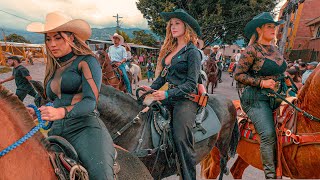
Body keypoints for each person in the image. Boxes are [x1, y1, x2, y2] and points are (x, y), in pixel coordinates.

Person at [26, 11, 115, 179]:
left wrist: (60, 112)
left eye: (58, 38)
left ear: (71, 38)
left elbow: (90, 101)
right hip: (57, 131)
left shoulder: (87, 61)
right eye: (48, 39)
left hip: (85, 128)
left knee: (101, 176)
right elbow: (55, 101)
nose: (52, 44)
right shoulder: (53, 68)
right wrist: (37, 111)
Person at [141, 8, 201, 180]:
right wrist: (151, 89)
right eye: (171, 24)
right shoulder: (170, 51)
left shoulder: (193, 52)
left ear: (186, 27)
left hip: (185, 99)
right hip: (169, 96)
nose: (173, 27)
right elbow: (162, 77)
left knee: (181, 138)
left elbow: (191, 83)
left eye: (177, 23)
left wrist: (166, 95)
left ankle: (189, 176)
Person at [234, 12, 286, 179]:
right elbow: (238, 75)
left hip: (277, 96)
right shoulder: (251, 50)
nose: (273, 29)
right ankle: (271, 176)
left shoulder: (276, 50)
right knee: (268, 134)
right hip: (255, 99)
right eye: (269, 26)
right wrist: (261, 83)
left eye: (274, 27)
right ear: (259, 29)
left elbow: (280, 73)